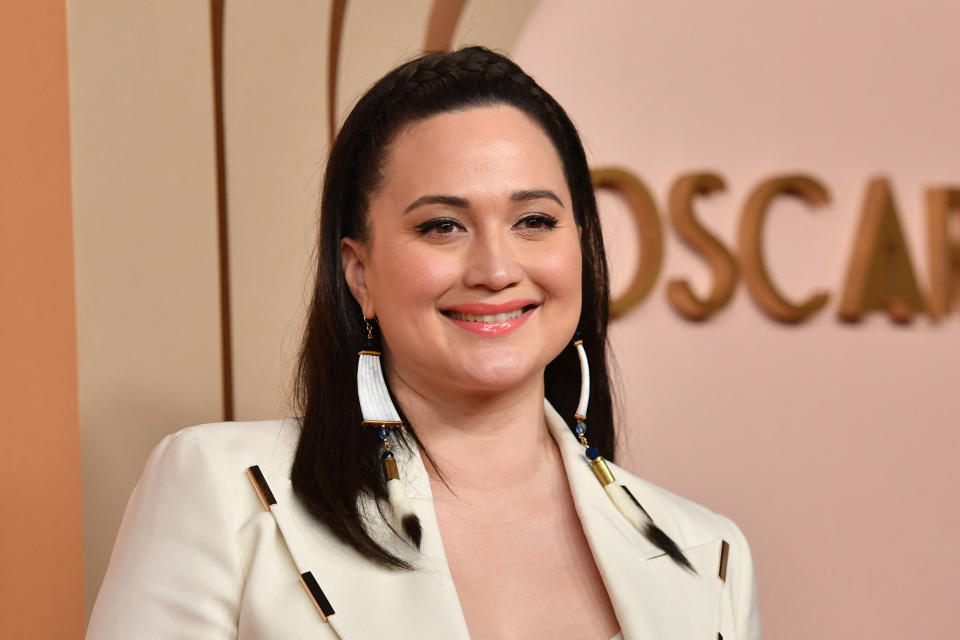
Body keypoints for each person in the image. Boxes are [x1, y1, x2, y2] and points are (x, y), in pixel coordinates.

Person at [87, 46, 761, 640]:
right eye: (442, 226)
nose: (496, 269)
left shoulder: (710, 556)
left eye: (534, 220)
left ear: (581, 250)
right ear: (360, 274)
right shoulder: (226, 492)